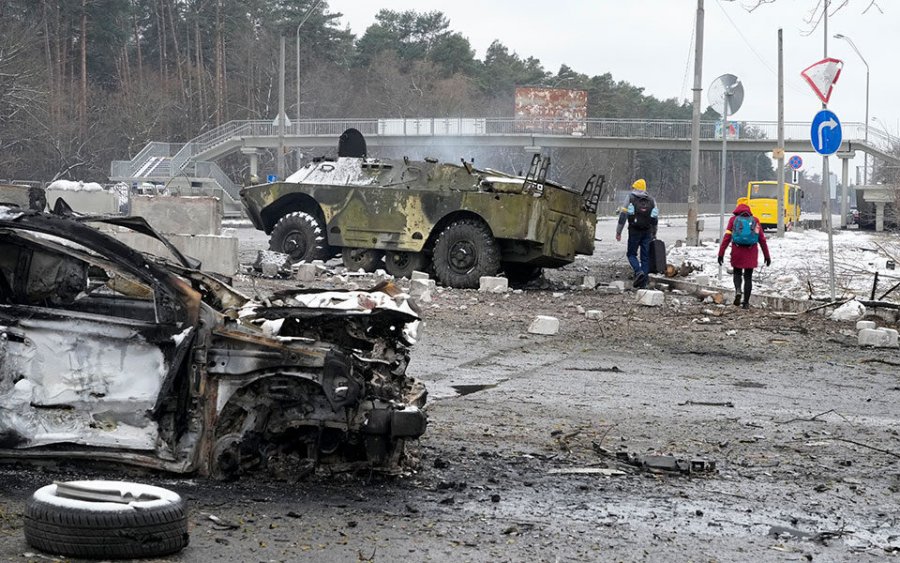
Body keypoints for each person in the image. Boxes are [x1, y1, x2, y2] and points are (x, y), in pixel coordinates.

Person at [717, 200, 771, 309]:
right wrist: (767, 256)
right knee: (748, 277)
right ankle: (745, 303)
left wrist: (721, 253)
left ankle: (738, 290)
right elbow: (762, 239)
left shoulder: (733, 220)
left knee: (737, 273)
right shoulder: (755, 221)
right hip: (751, 252)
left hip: (737, 251)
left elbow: (727, 238)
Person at [616, 178, 659, 288]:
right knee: (645, 258)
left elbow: (623, 215)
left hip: (634, 231)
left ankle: (638, 271)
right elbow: (655, 218)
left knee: (631, 254)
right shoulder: (651, 200)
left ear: (635, 187)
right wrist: (654, 233)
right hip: (647, 231)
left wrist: (618, 231)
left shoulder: (630, 198)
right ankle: (643, 284)